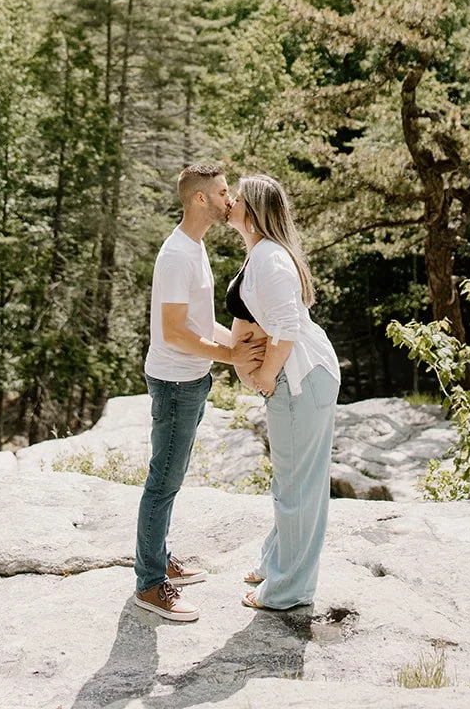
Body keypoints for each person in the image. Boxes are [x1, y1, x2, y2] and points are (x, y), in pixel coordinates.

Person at [133, 161, 262, 622]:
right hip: (174, 381)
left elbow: (196, 320)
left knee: (170, 477)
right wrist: (230, 358)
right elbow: (172, 333)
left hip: (192, 378)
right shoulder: (176, 256)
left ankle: (157, 557)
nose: (231, 200)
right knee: (162, 482)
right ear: (199, 199)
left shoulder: (195, 247)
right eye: (224, 192)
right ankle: (149, 583)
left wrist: (235, 343)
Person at [226, 173, 340, 611]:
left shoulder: (270, 258)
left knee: (298, 486)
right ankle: (277, 561)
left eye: (237, 196)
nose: (230, 201)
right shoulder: (261, 254)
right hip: (299, 377)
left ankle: (289, 589)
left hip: (298, 377)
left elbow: (288, 328)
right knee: (291, 479)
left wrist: (267, 376)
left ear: (253, 210)